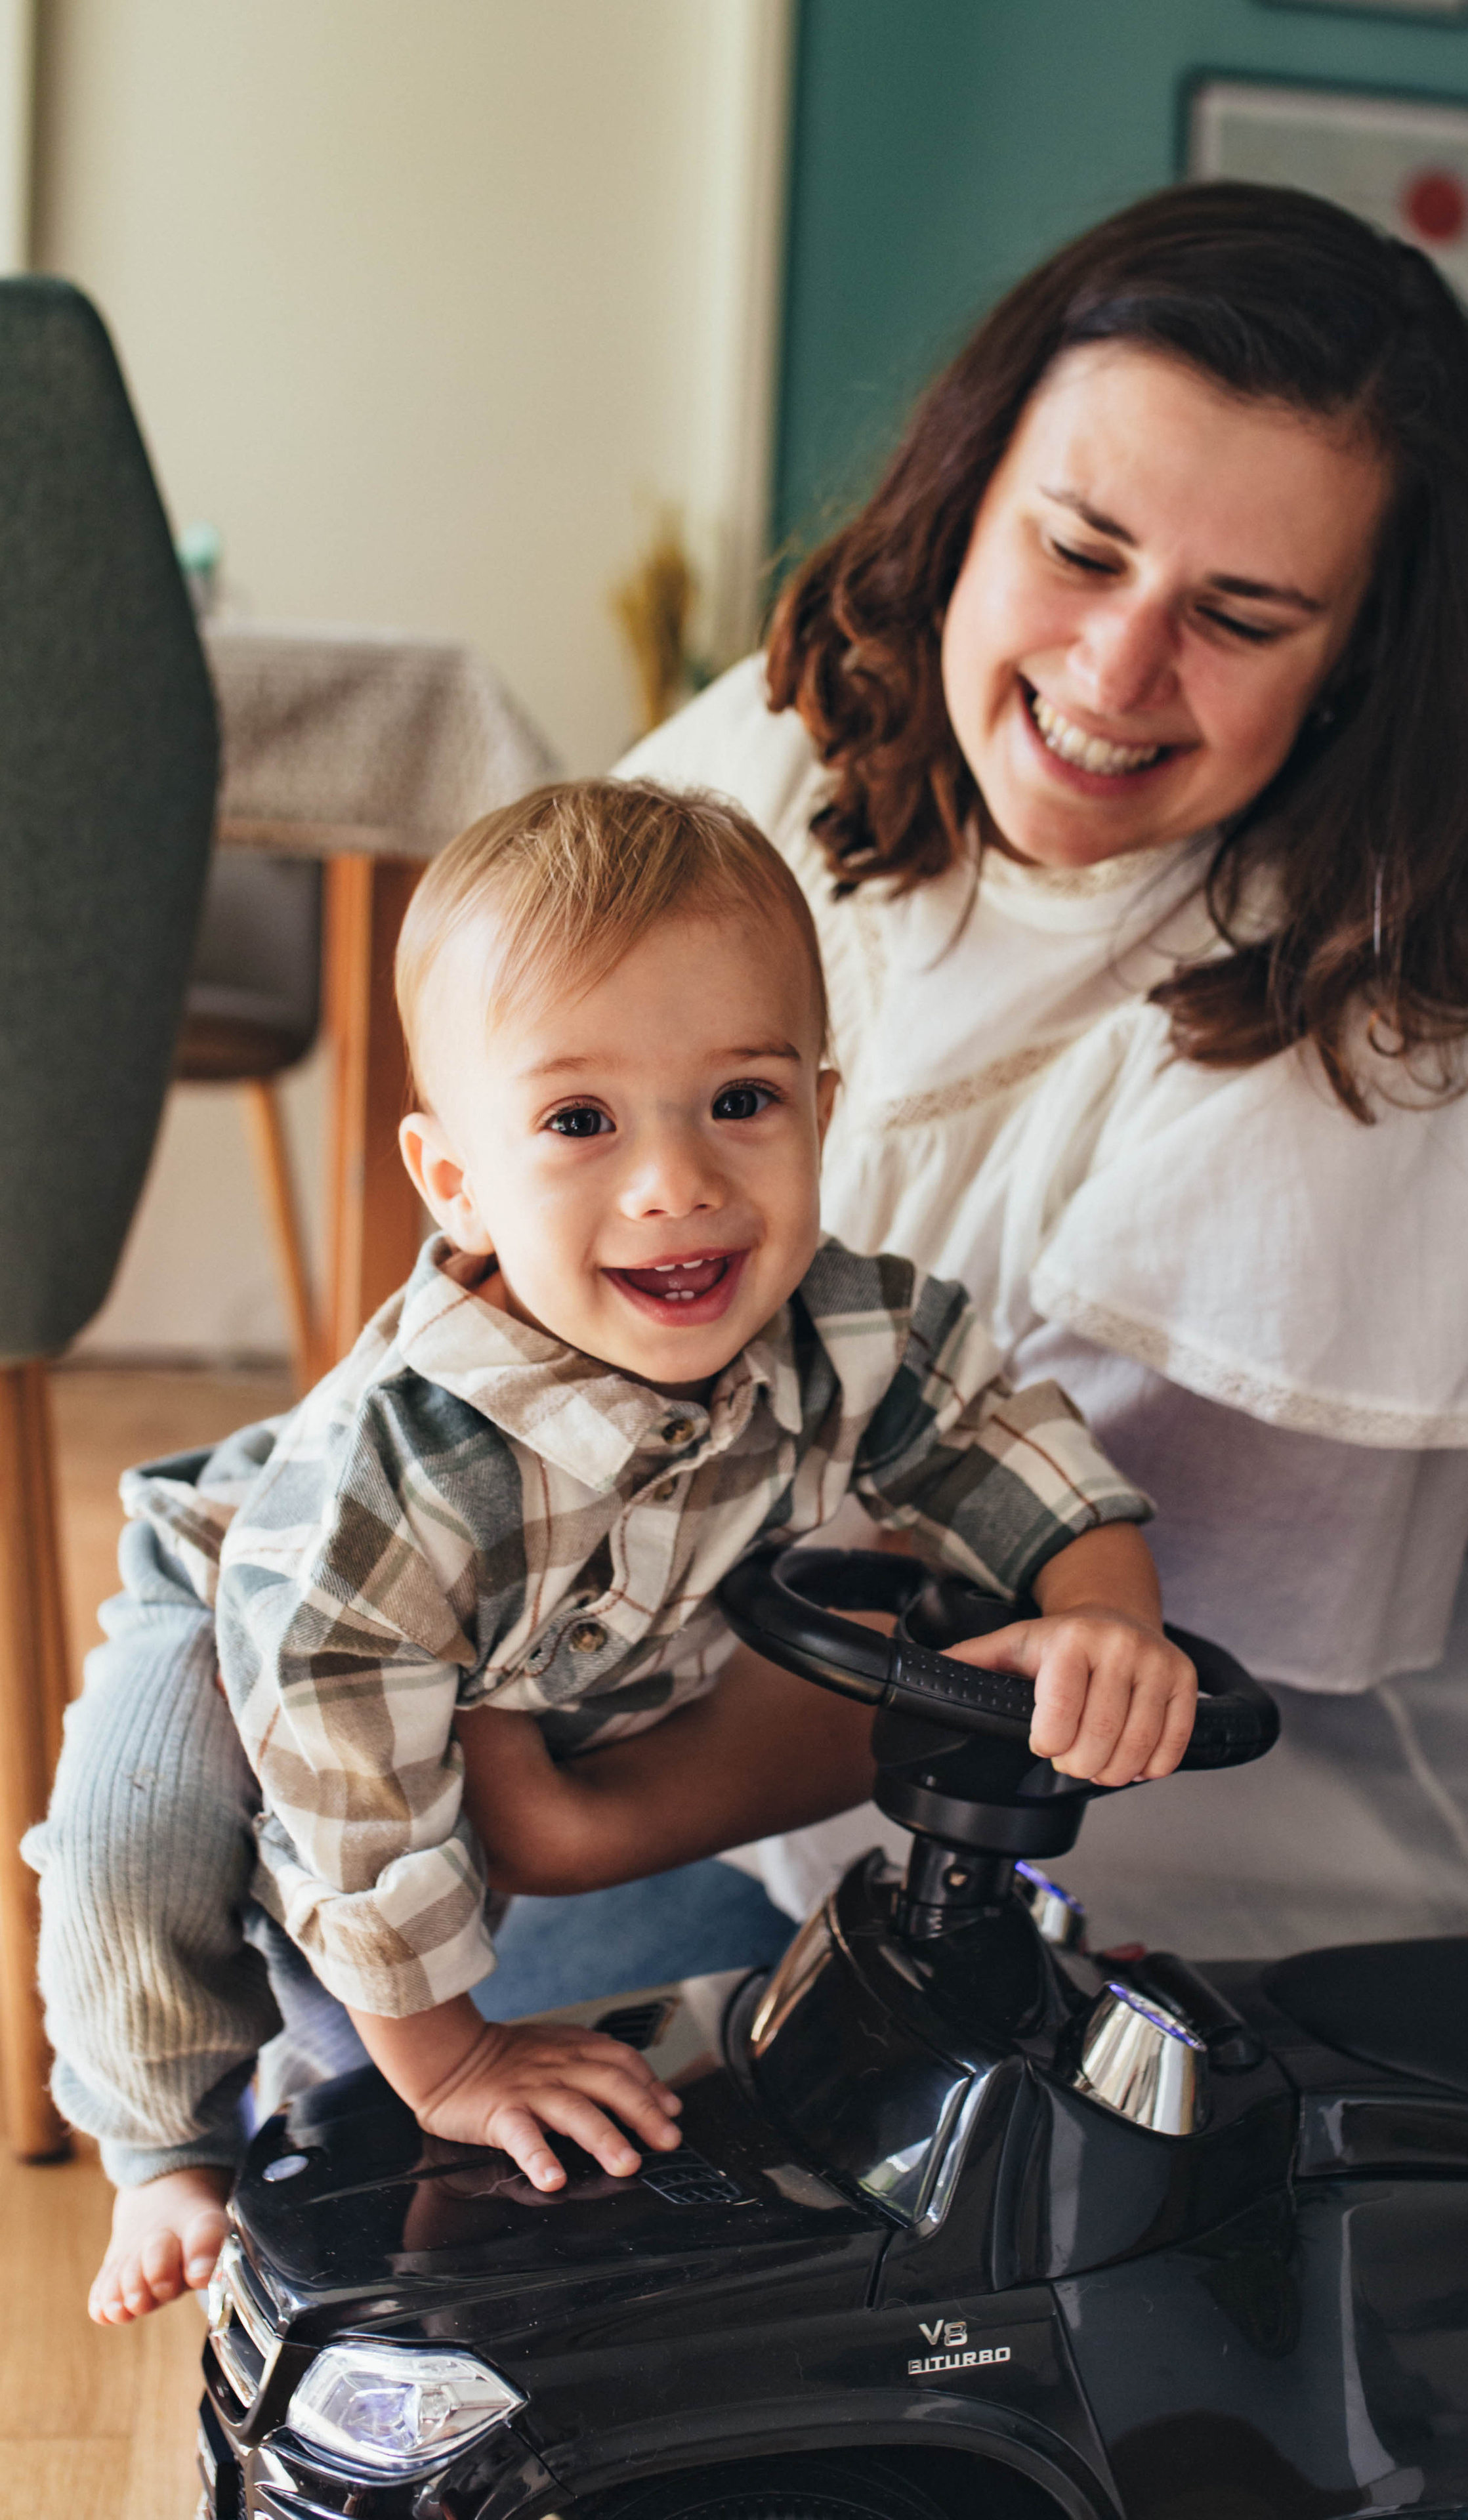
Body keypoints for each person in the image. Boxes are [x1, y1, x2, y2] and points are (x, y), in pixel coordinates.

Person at [612, 177, 1468, 1943]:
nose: (1115, 666)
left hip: (1267, 1905)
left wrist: (475, 1791)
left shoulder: (1367, 1058)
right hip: (754, 1726)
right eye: (1079, 552)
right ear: (969, 492)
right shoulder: (795, 750)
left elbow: (1003, 1666)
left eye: (1241, 616)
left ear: (1353, 665)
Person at [31, 774, 1188, 2322]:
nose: (678, 1183)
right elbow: (354, 1808)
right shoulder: (400, 1477)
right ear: (453, 1181)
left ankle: (341, 2091)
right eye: (579, 1122)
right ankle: (159, 2139)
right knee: (152, 1820)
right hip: (278, 1624)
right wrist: (456, 2057)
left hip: (533, 1660)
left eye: (740, 1101)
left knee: (381, 2000)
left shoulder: (840, 1327)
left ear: (820, 1111)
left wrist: (1101, 1610)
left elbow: (993, 1435)